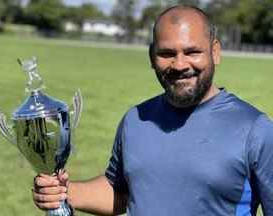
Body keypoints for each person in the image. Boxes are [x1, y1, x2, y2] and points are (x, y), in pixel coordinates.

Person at [32, 5, 273, 216]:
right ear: (151, 56)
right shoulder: (136, 119)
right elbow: (122, 192)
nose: (179, 65)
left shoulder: (255, 129)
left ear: (215, 52)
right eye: (167, 54)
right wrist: (64, 192)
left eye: (192, 52)